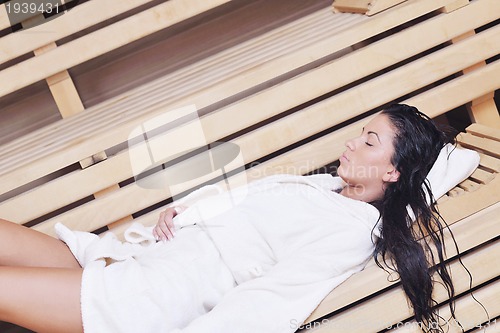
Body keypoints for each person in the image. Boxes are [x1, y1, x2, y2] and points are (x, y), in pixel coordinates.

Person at [0, 104, 461, 333]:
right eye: (358, 134)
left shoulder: (351, 230)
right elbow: (243, 213)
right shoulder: (327, 189)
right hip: (142, 260)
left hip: (149, 300)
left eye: (369, 142)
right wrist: (189, 215)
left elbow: (264, 304)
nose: (350, 144)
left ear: (394, 170)